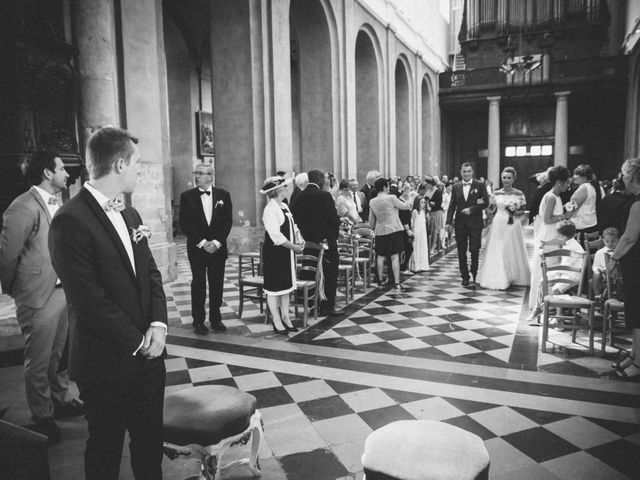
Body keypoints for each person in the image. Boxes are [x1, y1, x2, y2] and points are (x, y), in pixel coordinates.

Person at [49, 127, 168, 479]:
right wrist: (138, 342)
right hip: (106, 363)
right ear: (118, 165)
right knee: (105, 451)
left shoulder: (131, 216)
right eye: (136, 164)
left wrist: (158, 327)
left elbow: (151, 275)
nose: (139, 171)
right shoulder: (70, 219)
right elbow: (88, 300)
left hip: (150, 359)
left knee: (150, 449)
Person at [0, 151, 83, 444]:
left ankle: (60, 399)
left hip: (62, 291)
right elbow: (7, 257)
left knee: (58, 354)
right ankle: (42, 414)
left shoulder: (58, 202)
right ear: (47, 173)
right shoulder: (21, 207)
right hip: (37, 296)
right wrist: (17, 289)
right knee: (38, 359)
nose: (66, 173)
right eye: (61, 168)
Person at [179, 162, 233, 334]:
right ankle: (198, 321)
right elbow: (185, 224)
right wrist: (202, 243)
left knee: (217, 285)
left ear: (210, 176)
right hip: (197, 249)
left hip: (218, 250)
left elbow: (227, 222)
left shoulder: (223, 195)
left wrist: (217, 243)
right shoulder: (187, 196)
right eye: (196, 172)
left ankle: (216, 319)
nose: (197, 176)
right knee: (199, 285)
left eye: (201, 173)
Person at [607, 157, 640, 378]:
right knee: (634, 309)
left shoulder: (638, 203)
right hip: (634, 262)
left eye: (624, 174)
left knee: (637, 310)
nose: (621, 178)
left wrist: (613, 259)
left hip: (636, 262)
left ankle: (639, 362)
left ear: (634, 175)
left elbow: (629, 237)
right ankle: (635, 353)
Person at [293, 169, 342, 316]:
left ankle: (310, 303)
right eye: (324, 178)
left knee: (309, 270)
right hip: (325, 241)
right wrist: (333, 237)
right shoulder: (324, 195)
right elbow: (334, 219)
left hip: (308, 241)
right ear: (320, 179)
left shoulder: (300, 196)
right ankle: (327, 306)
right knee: (329, 273)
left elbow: (296, 217)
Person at [260, 176, 304, 334]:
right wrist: (294, 247)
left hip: (287, 253)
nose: (287, 189)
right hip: (275, 253)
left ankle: (286, 316)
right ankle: (276, 319)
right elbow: (276, 236)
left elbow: (294, 226)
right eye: (285, 187)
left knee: (285, 287)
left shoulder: (284, 206)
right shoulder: (270, 209)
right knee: (274, 287)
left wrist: (299, 239)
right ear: (277, 190)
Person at [476, 167, 530, 291]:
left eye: (509, 178)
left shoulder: (519, 193)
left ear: (513, 179)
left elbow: (523, 209)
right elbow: (492, 209)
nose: (506, 180)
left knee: (510, 248)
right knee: (498, 248)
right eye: (504, 177)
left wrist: (515, 211)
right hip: (499, 222)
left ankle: (515, 276)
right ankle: (499, 276)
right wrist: (483, 205)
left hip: (513, 223)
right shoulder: (496, 193)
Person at [528, 165, 573, 313]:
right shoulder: (551, 197)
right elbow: (547, 219)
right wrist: (564, 216)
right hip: (549, 233)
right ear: (559, 182)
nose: (568, 185)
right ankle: (544, 301)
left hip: (554, 231)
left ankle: (550, 301)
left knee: (554, 267)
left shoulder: (557, 196)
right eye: (567, 183)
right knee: (549, 267)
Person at [528, 221, 584, 322]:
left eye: (558, 235)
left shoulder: (574, 247)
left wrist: (554, 270)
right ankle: (539, 308)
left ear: (564, 236)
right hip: (564, 272)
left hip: (572, 275)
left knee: (556, 289)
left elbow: (567, 267)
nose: (556, 236)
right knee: (542, 281)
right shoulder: (567, 242)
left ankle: (559, 317)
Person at [445, 162, 489, 286]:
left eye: (468, 171)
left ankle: (474, 271)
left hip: (475, 222)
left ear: (472, 172)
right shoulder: (456, 186)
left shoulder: (479, 185)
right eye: (464, 171)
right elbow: (452, 205)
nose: (466, 174)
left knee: (474, 249)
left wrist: (472, 209)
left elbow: (485, 202)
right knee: (461, 250)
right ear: (460, 172)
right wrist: (448, 222)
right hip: (460, 223)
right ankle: (464, 275)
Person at [369, 177, 411, 291]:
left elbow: (371, 222)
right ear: (384, 187)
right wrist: (406, 196)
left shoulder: (372, 201)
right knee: (394, 257)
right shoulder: (392, 198)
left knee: (380, 257)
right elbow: (406, 207)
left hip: (380, 231)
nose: (389, 188)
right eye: (387, 186)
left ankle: (380, 282)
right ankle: (397, 284)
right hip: (394, 230)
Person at [568, 164, 601, 236]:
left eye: (576, 174)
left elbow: (572, 208)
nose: (574, 176)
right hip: (590, 224)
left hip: (582, 226)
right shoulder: (592, 186)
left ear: (584, 178)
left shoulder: (583, 188)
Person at [591, 227, 619, 298]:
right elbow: (595, 266)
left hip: (617, 275)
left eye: (613, 241)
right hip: (604, 274)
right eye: (607, 241)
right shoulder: (600, 252)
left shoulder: (619, 252)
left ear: (618, 240)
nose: (610, 244)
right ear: (603, 241)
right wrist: (600, 270)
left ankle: (618, 297)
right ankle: (597, 296)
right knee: (596, 274)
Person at [409, 197, 430, 272]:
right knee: (416, 247)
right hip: (417, 232)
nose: (423, 204)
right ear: (417, 203)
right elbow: (412, 223)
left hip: (422, 232)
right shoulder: (415, 211)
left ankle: (422, 265)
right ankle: (416, 265)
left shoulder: (423, 211)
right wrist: (412, 233)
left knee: (422, 247)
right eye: (421, 202)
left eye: (424, 202)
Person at [424, 177, 444, 255]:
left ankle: (433, 247)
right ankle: (432, 245)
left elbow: (438, 204)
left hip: (436, 212)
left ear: (430, 184)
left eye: (427, 184)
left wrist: (431, 203)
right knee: (430, 230)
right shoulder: (428, 191)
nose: (427, 186)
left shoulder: (438, 192)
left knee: (435, 230)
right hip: (430, 212)